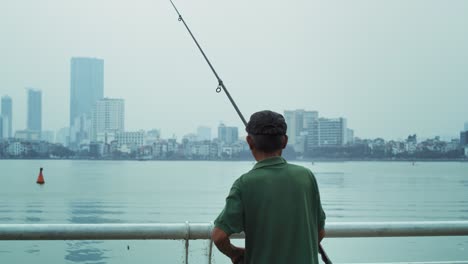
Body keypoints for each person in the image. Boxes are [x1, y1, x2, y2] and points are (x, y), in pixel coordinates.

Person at [212, 110, 326, 264]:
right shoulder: (306, 177)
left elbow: (219, 236)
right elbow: (319, 232)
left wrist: (234, 253)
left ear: (250, 142)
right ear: (284, 142)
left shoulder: (244, 184)